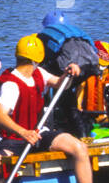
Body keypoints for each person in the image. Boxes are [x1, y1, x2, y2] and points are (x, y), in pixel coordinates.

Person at [0, 34, 92, 183]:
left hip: (39, 133)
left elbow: (60, 84)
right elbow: (0, 116)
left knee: (79, 148)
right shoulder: (11, 85)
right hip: (14, 139)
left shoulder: (39, 74)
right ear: (36, 59)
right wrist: (24, 132)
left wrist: (68, 75)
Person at [35, 10, 102, 138]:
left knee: (51, 86)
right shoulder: (74, 32)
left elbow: (41, 59)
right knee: (67, 98)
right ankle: (81, 133)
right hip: (91, 67)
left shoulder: (44, 35)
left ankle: (49, 129)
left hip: (69, 67)